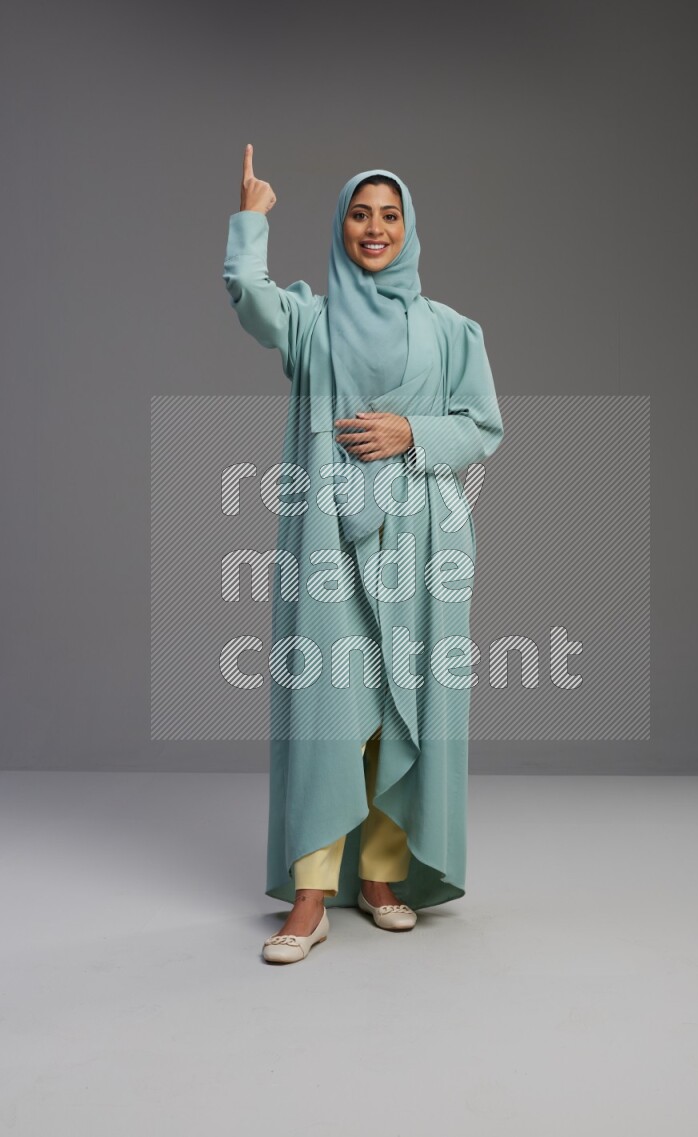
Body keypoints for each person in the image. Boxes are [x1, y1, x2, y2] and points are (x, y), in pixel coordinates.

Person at [223, 147, 504, 964]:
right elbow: (249, 300)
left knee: (402, 704)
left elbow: (485, 426)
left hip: (423, 535)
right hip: (327, 542)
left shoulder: (451, 329)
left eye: (389, 215)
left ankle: (381, 877)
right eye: (359, 212)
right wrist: (252, 219)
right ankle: (310, 895)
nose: (374, 228)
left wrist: (411, 432)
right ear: (340, 225)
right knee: (328, 706)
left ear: (408, 228)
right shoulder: (311, 322)